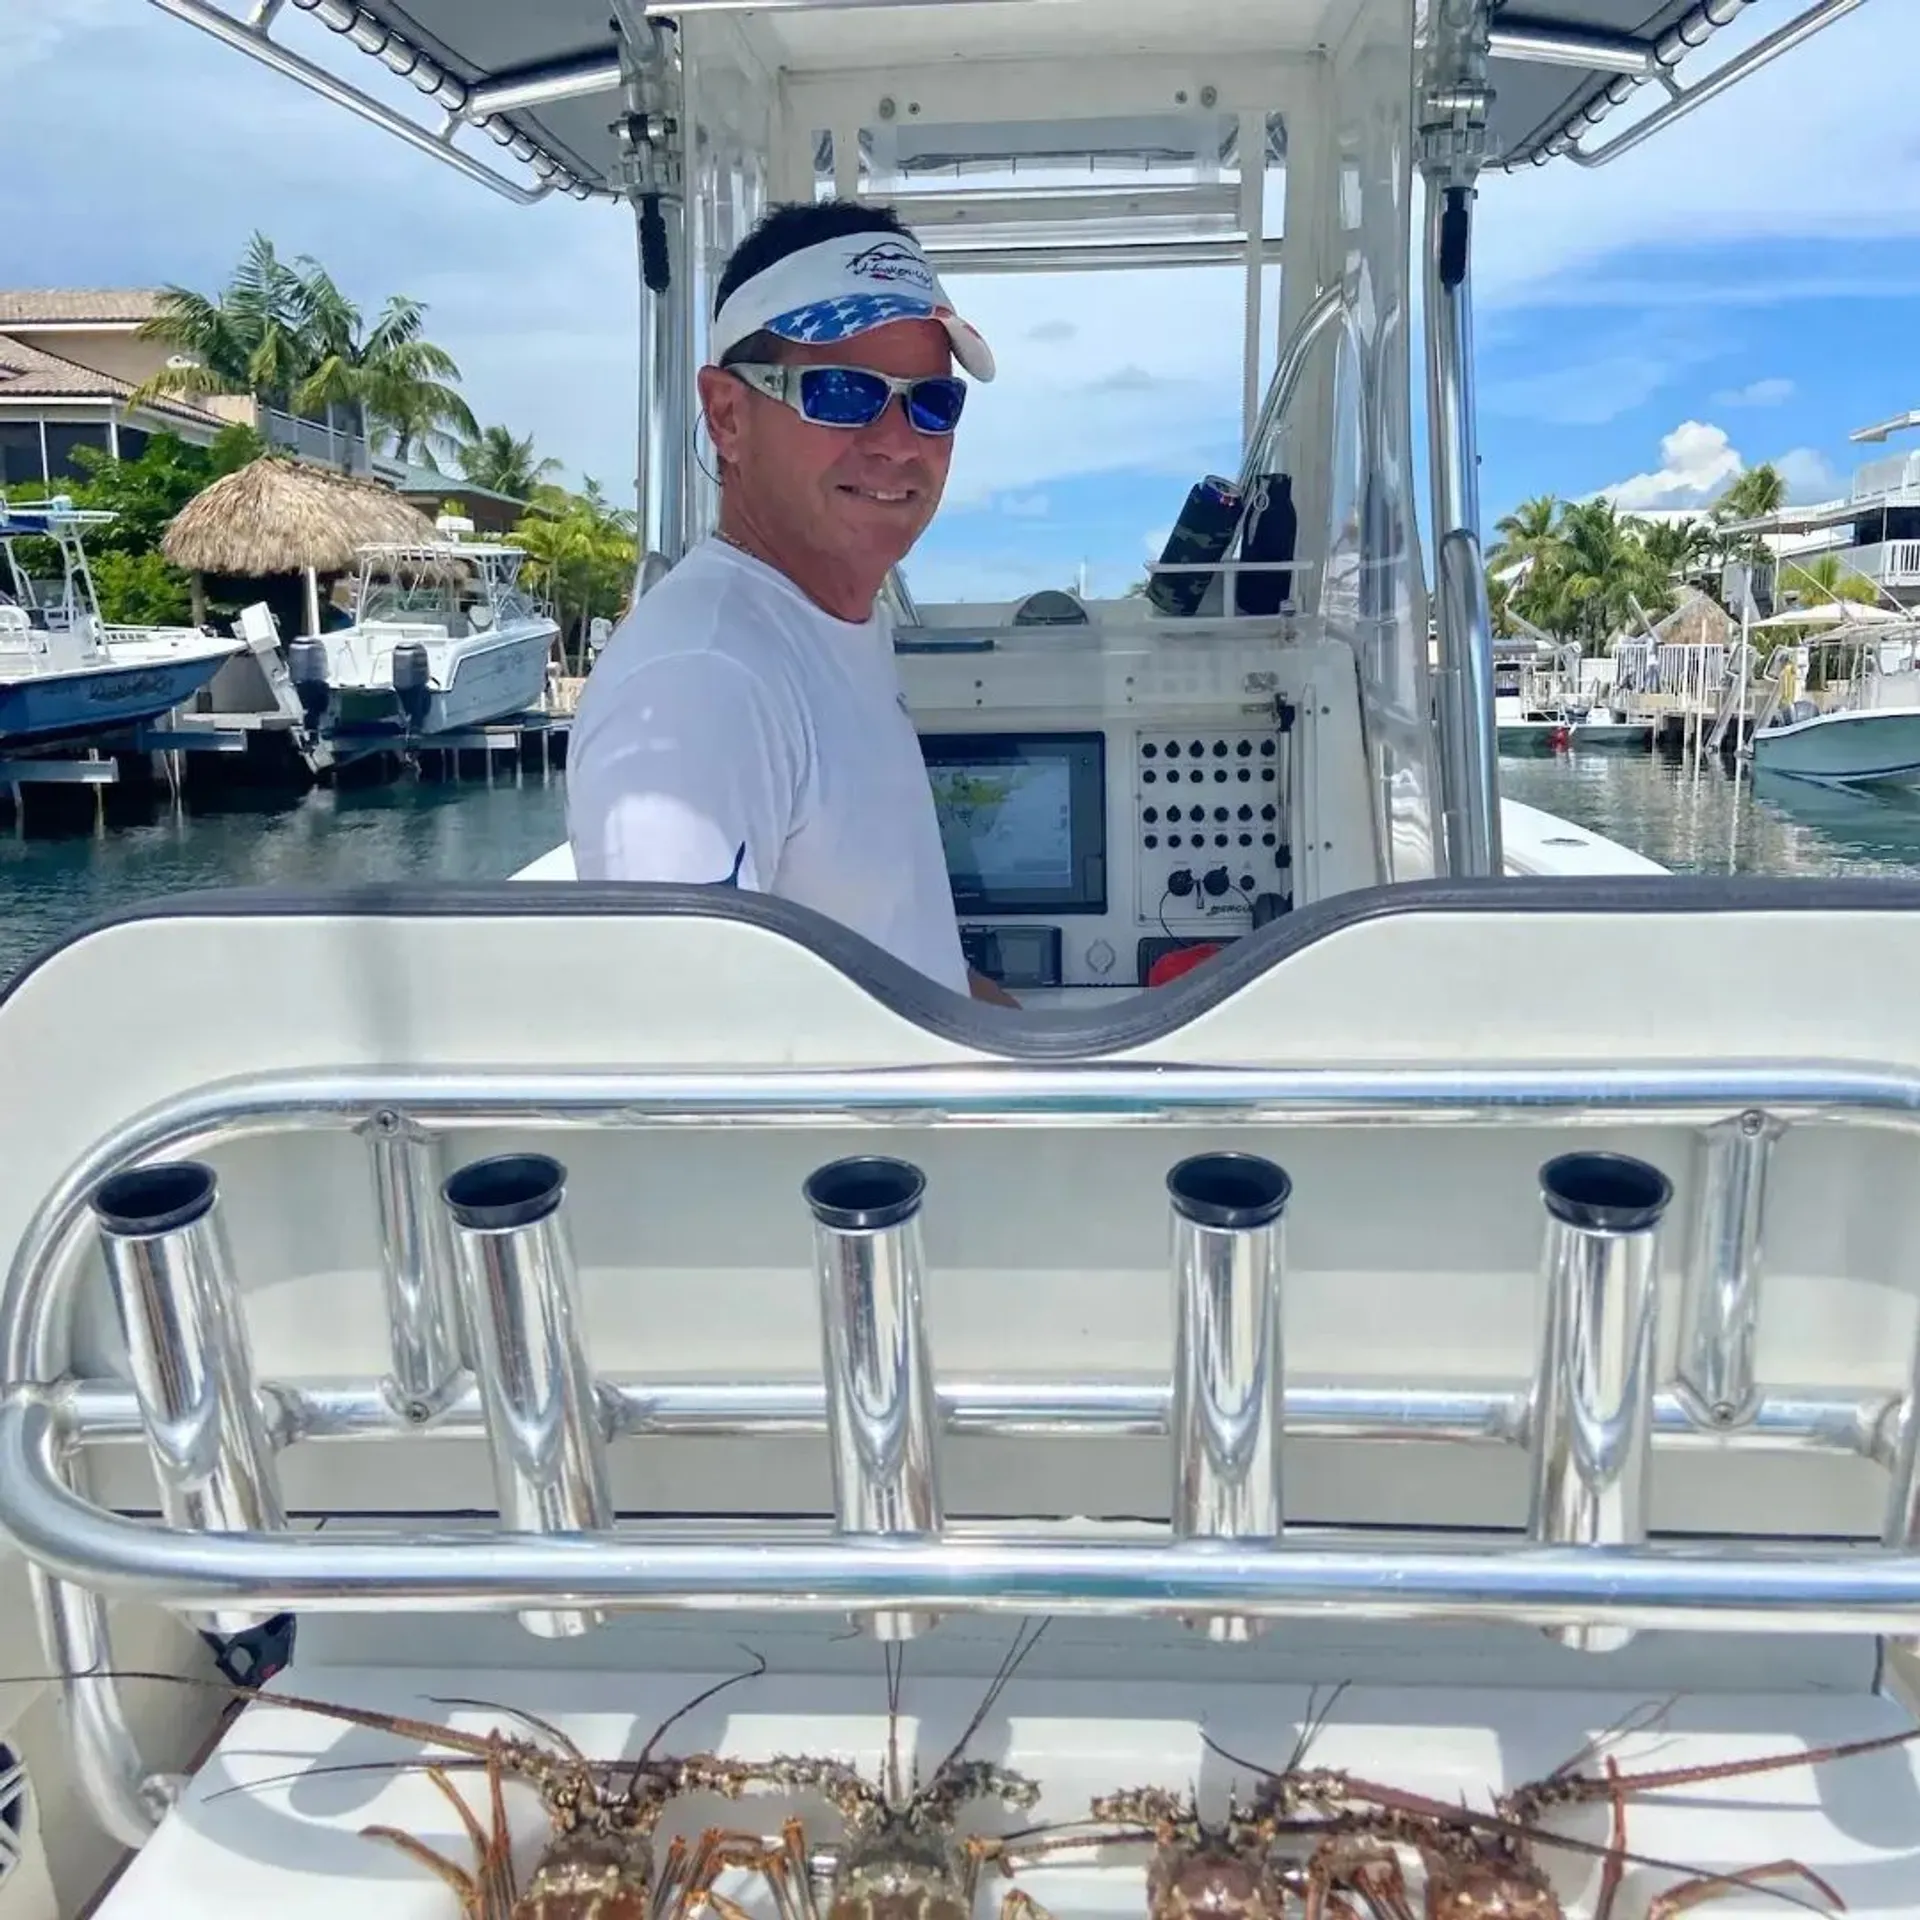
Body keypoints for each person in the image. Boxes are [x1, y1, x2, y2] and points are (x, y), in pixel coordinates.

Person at [566, 198, 1017, 1005]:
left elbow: (893, 950)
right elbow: (690, 1071)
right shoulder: (702, 684)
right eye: (842, 391)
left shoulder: (833, 627)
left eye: (931, 402)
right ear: (726, 415)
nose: (898, 440)